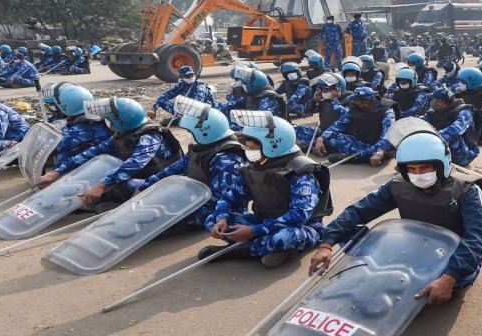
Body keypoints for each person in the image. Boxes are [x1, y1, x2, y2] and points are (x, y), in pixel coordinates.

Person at [310, 130, 482, 304]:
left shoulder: (466, 190)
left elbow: (477, 236)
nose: (418, 175)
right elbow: (359, 211)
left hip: (452, 254)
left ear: (441, 163)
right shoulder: (398, 185)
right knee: (350, 235)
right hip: (413, 244)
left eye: (425, 167)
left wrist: (451, 275)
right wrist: (326, 243)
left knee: (454, 281)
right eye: (411, 168)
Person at [201, 112, 331, 268]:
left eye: (252, 146)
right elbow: (231, 196)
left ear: (273, 145)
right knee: (211, 219)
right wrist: (222, 218)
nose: (247, 149)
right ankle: (266, 248)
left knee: (286, 236)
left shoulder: (301, 175)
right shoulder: (255, 168)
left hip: (301, 228)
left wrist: (254, 231)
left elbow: (299, 216)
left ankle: (239, 250)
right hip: (264, 220)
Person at [128, 97, 249, 232]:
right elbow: (173, 169)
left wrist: (175, 204)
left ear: (204, 132)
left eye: (192, 132)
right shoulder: (202, 149)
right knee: (134, 186)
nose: (190, 134)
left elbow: (220, 201)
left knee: (149, 221)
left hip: (208, 209)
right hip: (193, 197)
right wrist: (145, 187)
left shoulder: (226, 161)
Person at [76, 97, 183, 205]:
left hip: (163, 182)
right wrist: (59, 170)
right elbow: (94, 151)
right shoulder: (126, 133)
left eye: (112, 119)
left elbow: (135, 163)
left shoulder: (150, 137)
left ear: (123, 121)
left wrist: (102, 185)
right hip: (146, 176)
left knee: (121, 187)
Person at [38, 82, 114, 182]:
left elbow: (56, 147)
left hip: (99, 162)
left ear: (67, 106)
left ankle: (63, 177)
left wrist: (56, 131)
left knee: (64, 153)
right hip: (99, 156)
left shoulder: (83, 126)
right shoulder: (89, 115)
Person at [313, 86, 395, 164]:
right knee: (333, 140)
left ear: (366, 102)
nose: (354, 103)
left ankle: (359, 156)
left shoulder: (386, 111)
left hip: (379, 145)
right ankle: (360, 156)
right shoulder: (355, 109)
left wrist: (380, 151)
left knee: (375, 151)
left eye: (357, 102)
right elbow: (339, 124)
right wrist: (321, 138)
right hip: (361, 141)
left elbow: (388, 134)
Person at [425, 87, 479, 166]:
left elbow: (456, 129)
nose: (431, 102)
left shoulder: (464, 112)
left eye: (433, 99)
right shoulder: (433, 112)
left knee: (452, 137)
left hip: (465, 151)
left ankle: (457, 162)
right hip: (441, 145)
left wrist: (433, 137)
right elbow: (421, 123)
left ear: (439, 102)